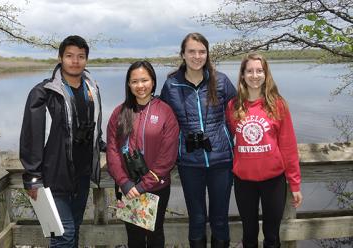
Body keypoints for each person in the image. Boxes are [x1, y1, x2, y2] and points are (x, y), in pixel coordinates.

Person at [19, 35, 105, 247]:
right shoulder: (44, 93)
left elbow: (94, 127)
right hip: (54, 176)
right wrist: (32, 176)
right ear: (60, 58)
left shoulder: (92, 89)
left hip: (82, 175)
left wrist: (104, 146)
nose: (75, 61)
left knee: (74, 230)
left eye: (81, 56)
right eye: (69, 56)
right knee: (63, 235)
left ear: (86, 59)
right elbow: (32, 136)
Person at [160, 33, 236, 248]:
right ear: (183, 54)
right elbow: (163, 123)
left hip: (221, 161)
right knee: (197, 220)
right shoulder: (172, 85)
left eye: (202, 51)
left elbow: (237, 114)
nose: (197, 56)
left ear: (207, 54)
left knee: (220, 219)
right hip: (189, 162)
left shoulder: (220, 81)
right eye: (191, 51)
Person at [226, 52, 303, 248]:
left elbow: (288, 147)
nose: (254, 75)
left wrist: (295, 184)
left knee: (272, 235)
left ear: (266, 74)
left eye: (259, 71)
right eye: (249, 71)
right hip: (244, 182)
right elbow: (226, 139)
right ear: (242, 74)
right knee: (249, 234)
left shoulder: (277, 104)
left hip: (274, 181)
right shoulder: (233, 106)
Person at [106, 60, 179, 248]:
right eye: (135, 81)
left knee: (155, 233)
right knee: (134, 237)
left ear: (153, 82)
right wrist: (125, 182)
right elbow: (112, 150)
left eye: (144, 80)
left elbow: (168, 155)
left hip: (156, 186)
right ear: (129, 84)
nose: (140, 86)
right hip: (127, 186)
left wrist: (144, 185)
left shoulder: (165, 111)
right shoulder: (119, 113)